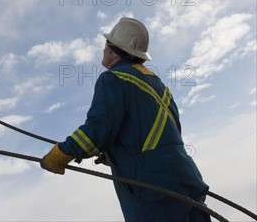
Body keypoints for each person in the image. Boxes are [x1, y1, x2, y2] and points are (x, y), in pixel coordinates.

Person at [41, 17, 211, 221]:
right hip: (186, 176)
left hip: (151, 184)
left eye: (106, 46)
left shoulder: (113, 79)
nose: (103, 51)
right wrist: (117, 151)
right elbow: (161, 133)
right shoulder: (160, 87)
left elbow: (96, 130)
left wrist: (62, 154)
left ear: (114, 50)